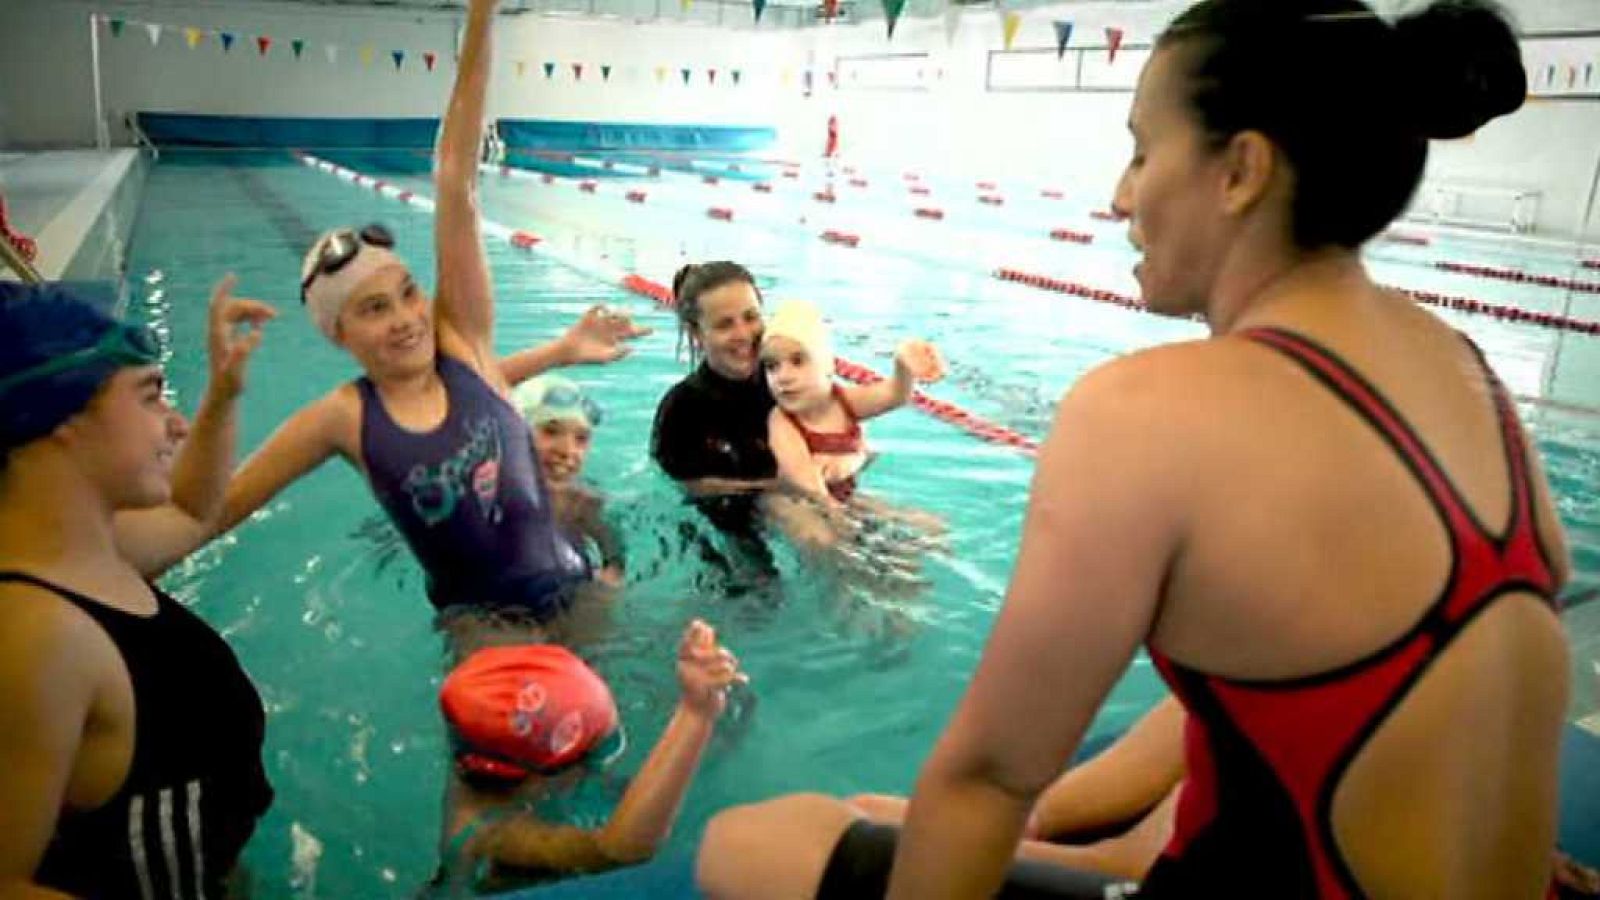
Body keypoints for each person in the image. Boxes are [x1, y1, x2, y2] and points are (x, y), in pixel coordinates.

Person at [697, 1, 1577, 897]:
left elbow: (988, 780)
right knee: (926, 812)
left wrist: (999, 812)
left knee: (751, 842)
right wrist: (1050, 818)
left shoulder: (1145, 411)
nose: (1120, 196)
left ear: (1241, 170)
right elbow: (1262, 690)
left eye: (1141, 151)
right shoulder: (1465, 370)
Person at [212, 0, 647, 629]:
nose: (406, 318)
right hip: (481, 632)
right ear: (339, 333)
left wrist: (480, 19)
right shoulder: (342, 417)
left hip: (583, 596)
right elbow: (215, 510)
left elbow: (455, 182)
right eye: (373, 309)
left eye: (409, 293)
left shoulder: (461, 342)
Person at [0, 278, 276, 898]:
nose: (175, 424)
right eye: (151, 396)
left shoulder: (88, 549)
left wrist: (225, 394)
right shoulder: (39, 633)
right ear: (64, 415)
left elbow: (191, 514)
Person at [437, 620, 745, 889]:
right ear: (543, 774)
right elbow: (618, 851)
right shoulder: (488, 833)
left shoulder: (485, 728)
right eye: (593, 754)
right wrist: (695, 714)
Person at [761, 299, 944, 506]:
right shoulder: (782, 421)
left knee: (928, 526)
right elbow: (806, 484)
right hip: (795, 504)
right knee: (822, 538)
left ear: (827, 366)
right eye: (771, 366)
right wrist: (842, 520)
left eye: (798, 361)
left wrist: (903, 366)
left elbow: (895, 395)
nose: (783, 376)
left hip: (841, 497)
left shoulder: (843, 401)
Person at [512, 375, 624, 587]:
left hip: (570, 589)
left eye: (581, 439)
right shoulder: (491, 495)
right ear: (514, 434)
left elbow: (615, 564)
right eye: (550, 431)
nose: (567, 451)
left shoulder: (584, 502)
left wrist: (604, 590)